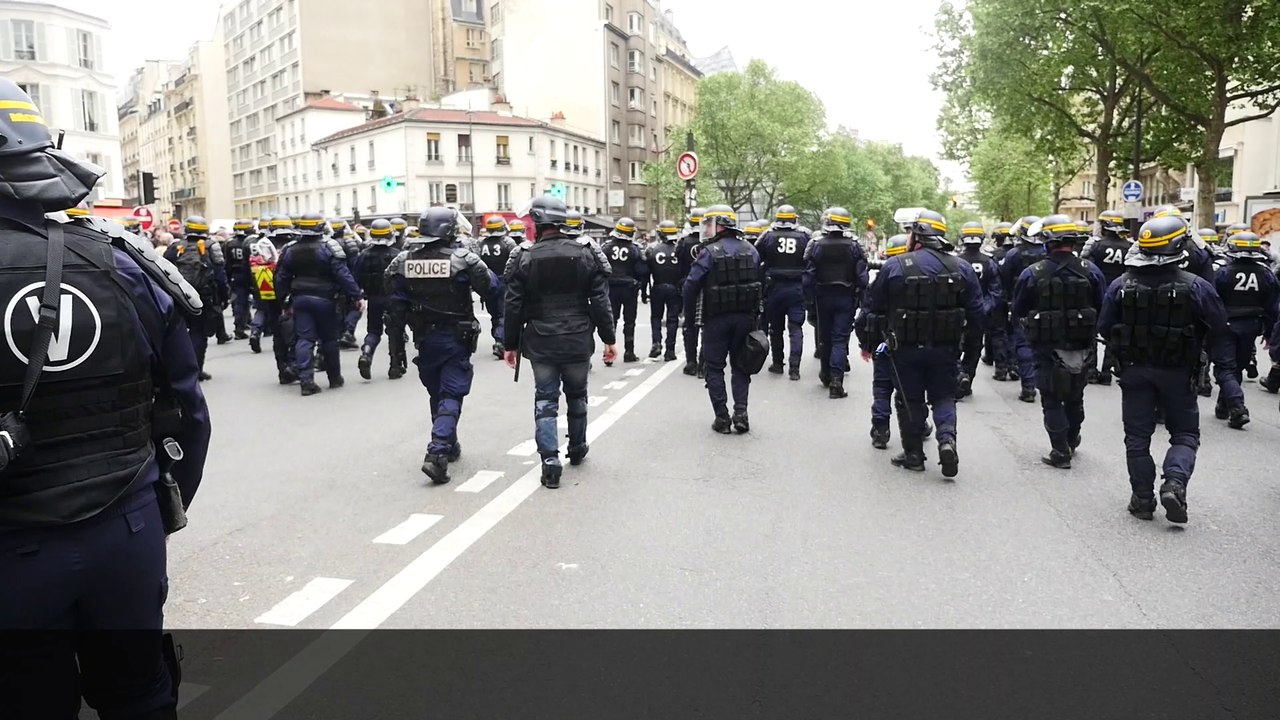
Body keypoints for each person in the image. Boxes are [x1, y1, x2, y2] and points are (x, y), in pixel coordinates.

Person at [0, 78, 211, 719]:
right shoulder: (121, 261)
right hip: (128, 524)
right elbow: (186, 411)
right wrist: (160, 498)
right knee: (141, 693)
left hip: (14, 547)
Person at [1098, 215, 1238, 524]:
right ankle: (1174, 483)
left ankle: (1143, 499)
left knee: (1137, 437)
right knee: (1185, 434)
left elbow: (1105, 328)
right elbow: (1218, 328)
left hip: (1134, 372)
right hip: (1178, 372)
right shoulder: (1197, 286)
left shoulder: (1121, 285)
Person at [503, 196, 617, 489]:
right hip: (578, 337)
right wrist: (609, 338)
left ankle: (550, 464)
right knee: (577, 396)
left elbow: (513, 305)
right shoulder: (586, 253)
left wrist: (510, 344)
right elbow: (600, 301)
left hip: (541, 341)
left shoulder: (523, 256)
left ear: (538, 223)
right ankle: (577, 448)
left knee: (545, 401)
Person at [862, 209, 984, 477]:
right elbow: (977, 316)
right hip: (946, 348)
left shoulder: (895, 266)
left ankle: (914, 454)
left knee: (909, 400)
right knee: (943, 397)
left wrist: (869, 343)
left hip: (905, 349)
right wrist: (969, 358)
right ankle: (946, 440)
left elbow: (873, 309)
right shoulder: (961, 267)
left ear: (917, 235)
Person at [385, 208, 496, 483]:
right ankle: (437, 454)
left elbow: (394, 311)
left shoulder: (402, 261)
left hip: (424, 339)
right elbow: (493, 288)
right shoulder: (463, 260)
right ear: (449, 231)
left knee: (437, 392)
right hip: (455, 338)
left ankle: (449, 443)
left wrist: (396, 349)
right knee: (451, 393)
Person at [1010, 216, 1106, 468]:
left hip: (1046, 347)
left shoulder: (1032, 273)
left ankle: (1060, 451)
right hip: (1082, 346)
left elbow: (1018, 309)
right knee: (1076, 396)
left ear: (1046, 242)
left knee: (1051, 398)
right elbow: (1102, 305)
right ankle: (1072, 440)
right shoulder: (1091, 270)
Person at [682, 205, 763, 433]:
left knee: (714, 368)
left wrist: (688, 314)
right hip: (745, 319)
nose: (706, 228)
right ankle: (741, 414)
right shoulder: (751, 249)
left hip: (716, 319)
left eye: (709, 224)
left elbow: (691, 284)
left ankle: (722, 418)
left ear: (719, 225)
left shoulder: (708, 252)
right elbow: (759, 282)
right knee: (741, 367)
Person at [274, 212, 363, 396]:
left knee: (304, 339)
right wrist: (356, 295)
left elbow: (281, 277)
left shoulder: (290, 249)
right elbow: (342, 274)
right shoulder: (330, 246)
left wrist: (283, 299)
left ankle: (306, 382)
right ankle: (334, 378)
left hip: (300, 299)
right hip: (326, 300)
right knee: (329, 339)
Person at [1211, 231, 1276, 428]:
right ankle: (1225, 404)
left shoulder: (1222, 272)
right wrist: (1269, 332)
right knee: (1237, 366)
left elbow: (1211, 300)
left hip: (1226, 325)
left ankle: (1237, 407)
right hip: (1252, 326)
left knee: (1225, 368)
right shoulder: (1266, 273)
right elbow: (1273, 306)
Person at [802, 207, 869, 398]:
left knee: (825, 337)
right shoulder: (855, 245)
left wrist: (808, 301)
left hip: (822, 297)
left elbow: (808, 277)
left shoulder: (816, 244)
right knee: (840, 339)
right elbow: (862, 278)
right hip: (846, 297)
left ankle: (825, 374)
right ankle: (837, 381)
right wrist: (863, 299)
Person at [164, 216, 228, 381]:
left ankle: (180, 369)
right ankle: (196, 369)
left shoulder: (175, 247)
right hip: (204, 297)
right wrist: (224, 296)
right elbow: (221, 275)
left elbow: (162, 272)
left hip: (178, 297)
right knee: (199, 334)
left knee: (178, 334)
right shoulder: (212, 247)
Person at [756, 205, 811, 380]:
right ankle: (794, 368)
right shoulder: (804, 235)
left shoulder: (768, 235)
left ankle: (778, 363)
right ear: (794, 218)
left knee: (776, 329)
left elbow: (757, 257)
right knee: (795, 328)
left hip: (775, 287)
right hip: (797, 287)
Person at [998, 216, 1045, 401]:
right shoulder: (1047, 250)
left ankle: (1028, 387)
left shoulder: (1014, 254)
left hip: (1022, 305)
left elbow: (1005, 280)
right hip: (1048, 306)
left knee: (1024, 343)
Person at [1083, 210, 1133, 385]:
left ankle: (1090, 370)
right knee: (1114, 333)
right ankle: (1107, 372)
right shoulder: (1130, 246)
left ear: (1104, 226)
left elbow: (1086, 268)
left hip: (1097, 292)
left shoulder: (1095, 245)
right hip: (1120, 293)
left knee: (1091, 331)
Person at [249, 215, 299, 384]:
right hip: (292, 294)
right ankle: (293, 365)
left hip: (268, 295)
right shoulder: (294, 245)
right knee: (297, 331)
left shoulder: (261, 245)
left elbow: (251, 270)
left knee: (277, 333)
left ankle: (282, 368)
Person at [956, 222, 1001, 398]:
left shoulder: (955, 262)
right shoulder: (989, 263)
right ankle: (967, 379)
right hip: (979, 315)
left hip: (958, 315)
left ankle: (958, 378)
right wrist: (983, 309)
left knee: (954, 349)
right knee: (974, 348)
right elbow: (995, 291)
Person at [355, 219, 401, 380]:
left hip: (374, 298)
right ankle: (395, 366)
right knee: (395, 332)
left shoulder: (363, 255)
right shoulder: (397, 255)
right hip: (394, 299)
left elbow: (356, 278)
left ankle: (366, 353)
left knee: (373, 331)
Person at [600, 217, 649, 364]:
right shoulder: (635, 249)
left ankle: (608, 352)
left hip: (611, 288)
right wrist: (640, 286)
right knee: (629, 321)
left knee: (611, 321)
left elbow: (600, 268)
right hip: (629, 289)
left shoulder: (606, 247)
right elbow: (642, 271)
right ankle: (629, 351)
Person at [475, 215, 520, 359]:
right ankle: (500, 341)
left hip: (487, 282)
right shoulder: (508, 242)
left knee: (494, 313)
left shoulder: (480, 244)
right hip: (504, 282)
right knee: (503, 313)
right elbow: (516, 263)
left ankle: (498, 338)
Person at [643, 219, 683, 361]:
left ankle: (656, 343)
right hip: (674, 287)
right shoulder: (679, 249)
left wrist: (643, 290)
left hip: (658, 286)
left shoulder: (652, 249)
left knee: (656, 317)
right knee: (672, 319)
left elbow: (645, 272)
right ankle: (670, 350)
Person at [677, 207, 709, 376]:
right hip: (709, 287)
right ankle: (703, 362)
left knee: (689, 325)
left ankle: (691, 362)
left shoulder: (683, 241)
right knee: (707, 325)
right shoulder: (711, 242)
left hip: (689, 286)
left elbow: (678, 265)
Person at [330, 218, 364, 349]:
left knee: (340, 308)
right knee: (356, 307)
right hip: (348, 280)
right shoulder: (350, 244)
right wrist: (356, 287)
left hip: (333, 284)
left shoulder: (327, 244)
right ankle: (348, 332)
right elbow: (355, 266)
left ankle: (342, 334)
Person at [225, 219, 255, 339]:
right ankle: (264, 326)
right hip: (251, 274)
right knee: (260, 303)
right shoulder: (252, 242)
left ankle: (240, 326)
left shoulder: (230, 243)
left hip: (236, 275)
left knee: (240, 302)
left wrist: (228, 279)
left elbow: (227, 263)